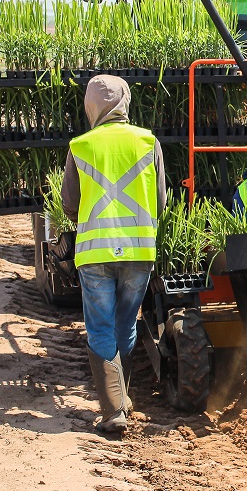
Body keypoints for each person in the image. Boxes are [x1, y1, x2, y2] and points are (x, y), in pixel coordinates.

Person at [61, 74, 166, 434]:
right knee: (125, 323)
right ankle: (123, 395)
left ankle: (113, 410)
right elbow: (161, 201)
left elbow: (70, 206)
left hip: (94, 254)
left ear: (91, 106)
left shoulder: (80, 146)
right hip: (139, 251)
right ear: (126, 100)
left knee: (101, 326)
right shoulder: (148, 141)